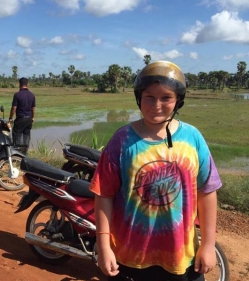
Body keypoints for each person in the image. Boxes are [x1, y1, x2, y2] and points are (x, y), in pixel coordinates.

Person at [90, 61, 221, 281]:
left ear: (178, 100)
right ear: (138, 97)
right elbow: (104, 195)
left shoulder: (192, 138)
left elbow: (207, 192)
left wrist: (208, 245)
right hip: (129, 256)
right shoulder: (122, 141)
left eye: (166, 97)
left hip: (182, 257)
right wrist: (103, 246)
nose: (156, 105)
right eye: (149, 96)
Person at [9, 77, 36, 154]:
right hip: (29, 119)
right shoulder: (32, 95)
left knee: (16, 134)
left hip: (20, 118)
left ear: (19, 84)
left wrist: (11, 118)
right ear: (27, 85)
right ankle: (25, 153)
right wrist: (33, 117)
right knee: (26, 135)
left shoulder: (17, 95)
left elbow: (14, 108)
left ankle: (16, 153)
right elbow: (33, 108)